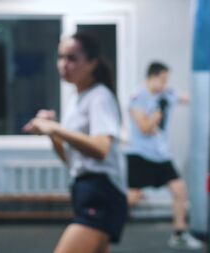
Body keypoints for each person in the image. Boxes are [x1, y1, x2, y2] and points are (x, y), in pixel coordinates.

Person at [23, 32, 127, 253]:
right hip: (83, 189)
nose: (64, 64)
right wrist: (53, 133)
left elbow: (101, 149)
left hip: (101, 191)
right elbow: (70, 159)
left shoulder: (99, 96)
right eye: (60, 57)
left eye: (72, 58)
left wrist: (56, 128)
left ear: (91, 63)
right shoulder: (75, 100)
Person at [126, 62, 203, 250]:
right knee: (132, 197)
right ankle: (102, 225)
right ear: (152, 77)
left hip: (161, 155)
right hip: (140, 154)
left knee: (179, 190)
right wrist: (156, 115)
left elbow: (190, 98)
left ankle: (179, 234)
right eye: (163, 80)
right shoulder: (138, 97)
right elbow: (144, 128)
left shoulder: (167, 93)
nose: (165, 84)